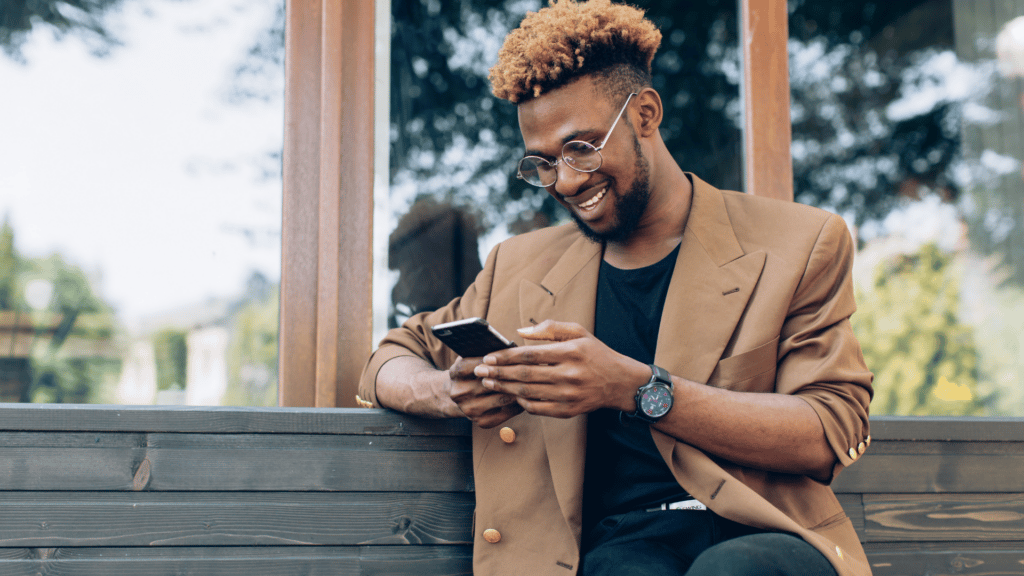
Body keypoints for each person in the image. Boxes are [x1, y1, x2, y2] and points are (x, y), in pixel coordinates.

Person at [358, 1, 873, 575]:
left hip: (762, 534)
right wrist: (446, 393)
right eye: (543, 163)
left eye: (581, 148)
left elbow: (830, 430)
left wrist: (635, 388)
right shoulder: (520, 267)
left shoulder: (799, 242)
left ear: (645, 114)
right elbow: (389, 359)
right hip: (618, 551)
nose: (568, 181)